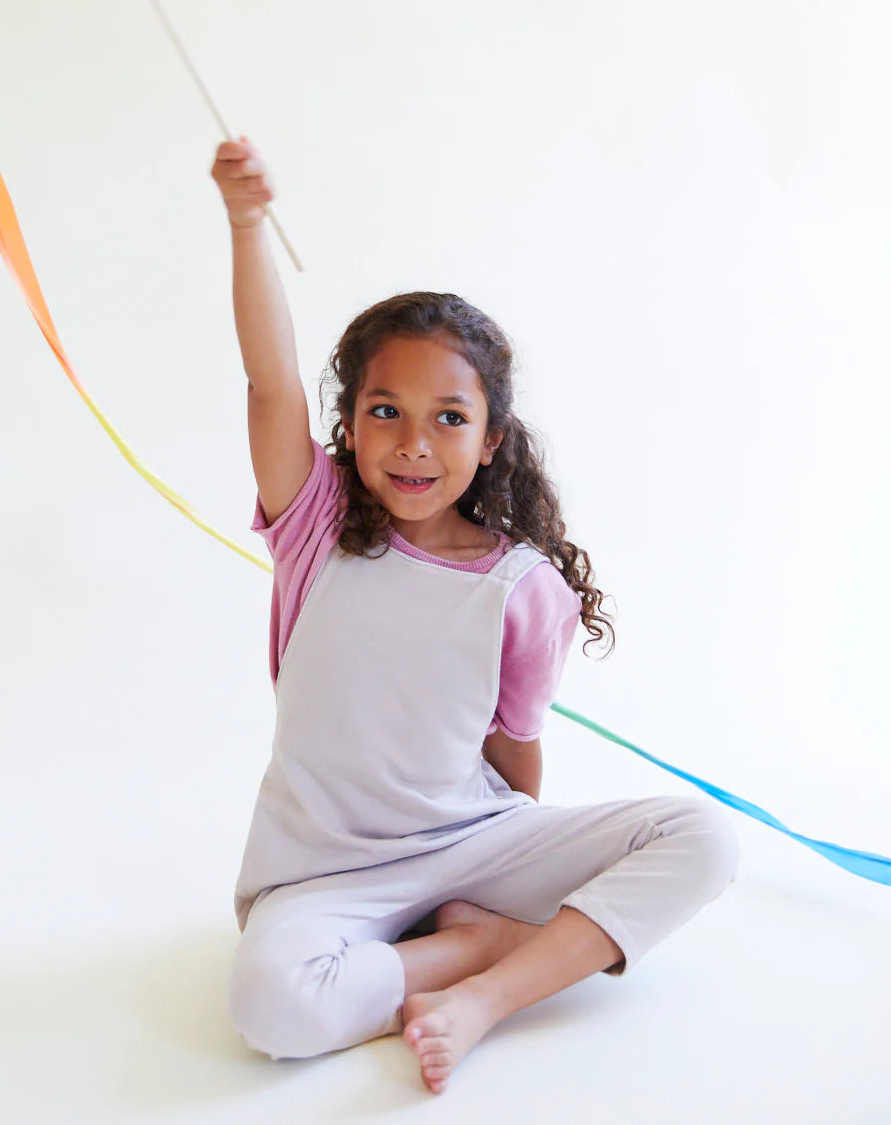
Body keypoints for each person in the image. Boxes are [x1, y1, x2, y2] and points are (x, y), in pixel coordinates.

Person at [210, 137, 740, 1094]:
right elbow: (269, 379)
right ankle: (456, 955)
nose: (414, 445)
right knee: (269, 1007)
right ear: (348, 424)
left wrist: (520, 870)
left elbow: (514, 753)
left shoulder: (522, 584)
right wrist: (248, 223)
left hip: (466, 839)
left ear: (492, 436)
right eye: (385, 412)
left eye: (449, 418)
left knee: (706, 837)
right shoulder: (317, 526)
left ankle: (491, 987)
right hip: (321, 872)